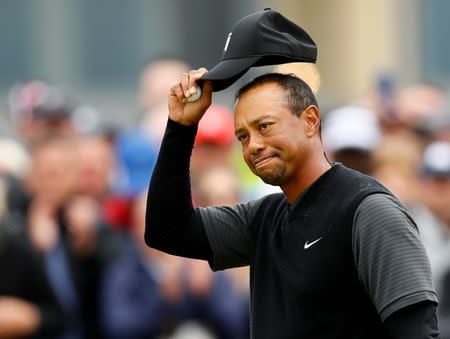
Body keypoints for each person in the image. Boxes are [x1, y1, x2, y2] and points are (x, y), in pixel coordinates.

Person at [145, 68, 439, 339]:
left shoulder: (368, 210)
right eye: (243, 136)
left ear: (310, 120)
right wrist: (181, 127)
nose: (254, 145)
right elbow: (167, 231)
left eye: (265, 126)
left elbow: (418, 332)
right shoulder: (264, 218)